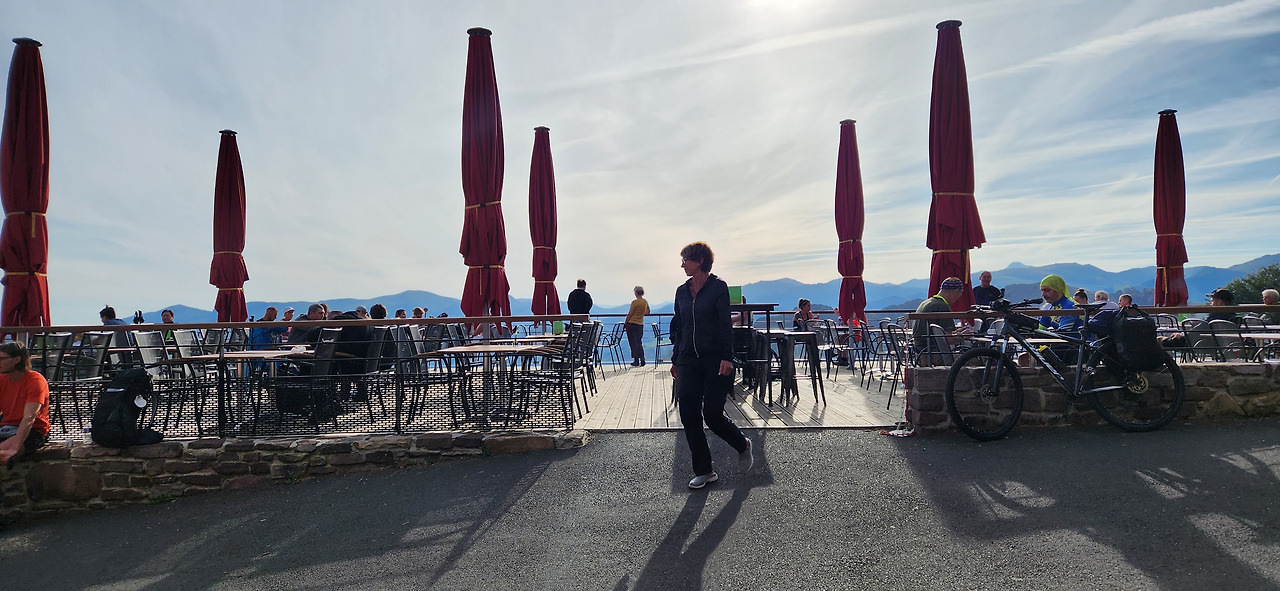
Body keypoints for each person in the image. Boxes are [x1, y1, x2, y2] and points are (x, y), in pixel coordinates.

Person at [669, 241, 753, 489]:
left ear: (700, 261)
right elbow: (680, 327)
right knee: (689, 414)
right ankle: (704, 470)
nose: (682, 265)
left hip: (715, 359)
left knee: (713, 415)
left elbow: (724, 324)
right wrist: (675, 359)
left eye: (686, 260)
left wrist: (727, 357)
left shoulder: (718, 287)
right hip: (687, 359)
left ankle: (742, 444)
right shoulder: (681, 291)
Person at [0, 342, 51, 467]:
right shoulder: (2, 379)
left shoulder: (35, 381)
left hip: (33, 430)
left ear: (17, 359)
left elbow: (29, 417)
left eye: (1, 358)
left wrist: (15, 447)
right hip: (6, 427)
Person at [911, 277, 972, 352]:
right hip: (933, 352)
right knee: (974, 358)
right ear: (955, 292)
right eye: (959, 295)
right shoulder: (942, 306)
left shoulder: (926, 302)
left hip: (920, 350)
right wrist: (963, 336)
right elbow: (948, 339)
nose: (957, 299)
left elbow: (941, 334)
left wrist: (956, 333)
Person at [626, 286, 650, 367]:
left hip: (631, 324)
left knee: (633, 343)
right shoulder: (645, 301)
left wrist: (626, 323)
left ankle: (636, 360)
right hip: (640, 324)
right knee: (639, 342)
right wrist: (640, 314)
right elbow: (648, 312)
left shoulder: (634, 302)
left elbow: (630, 314)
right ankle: (642, 359)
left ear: (636, 293)